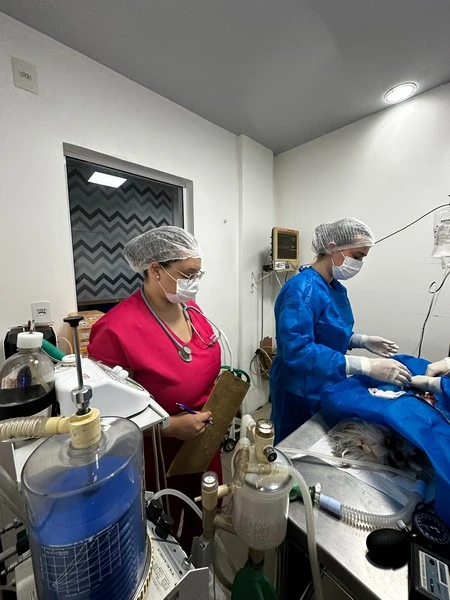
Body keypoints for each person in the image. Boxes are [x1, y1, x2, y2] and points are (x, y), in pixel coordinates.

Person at [88, 226, 222, 550]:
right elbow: (103, 419)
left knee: (202, 522)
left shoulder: (192, 311)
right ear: (155, 269)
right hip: (158, 458)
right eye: (187, 274)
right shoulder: (115, 330)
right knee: (163, 538)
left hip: (204, 446)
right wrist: (170, 426)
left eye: (198, 273)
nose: (194, 282)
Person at [270, 217, 412, 443]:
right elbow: (297, 350)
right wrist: (365, 366)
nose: (359, 263)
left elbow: (326, 331)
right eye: (357, 256)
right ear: (333, 247)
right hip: (298, 387)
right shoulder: (301, 290)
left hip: (326, 379)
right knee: (294, 445)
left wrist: (361, 340)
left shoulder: (335, 288)